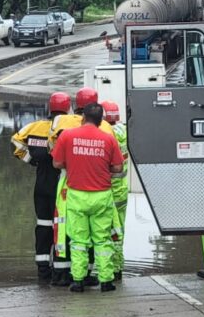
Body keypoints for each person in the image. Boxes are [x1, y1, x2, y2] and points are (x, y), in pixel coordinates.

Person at [52, 102, 124, 293]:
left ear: (82, 117)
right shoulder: (108, 139)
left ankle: (78, 281)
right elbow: (118, 168)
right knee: (102, 240)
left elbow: (57, 163)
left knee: (78, 241)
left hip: (77, 195)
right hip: (102, 196)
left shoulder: (67, 135)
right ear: (101, 121)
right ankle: (107, 281)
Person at [11, 92, 71, 284]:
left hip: (41, 185)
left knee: (43, 227)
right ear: (68, 108)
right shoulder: (70, 128)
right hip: (62, 187)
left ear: (50, 108)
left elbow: (15, 142)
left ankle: (43, 271)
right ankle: (62, 271)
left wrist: (32, 161)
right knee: (62, 228)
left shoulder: (34, 127)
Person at [101, 100, 129, 281]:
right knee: (120, 230)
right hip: (122, 190)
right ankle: (118, 267)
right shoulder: (124, 131)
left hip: (108, 189)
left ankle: (108, 268)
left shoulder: (106, 133)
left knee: (105, 231)